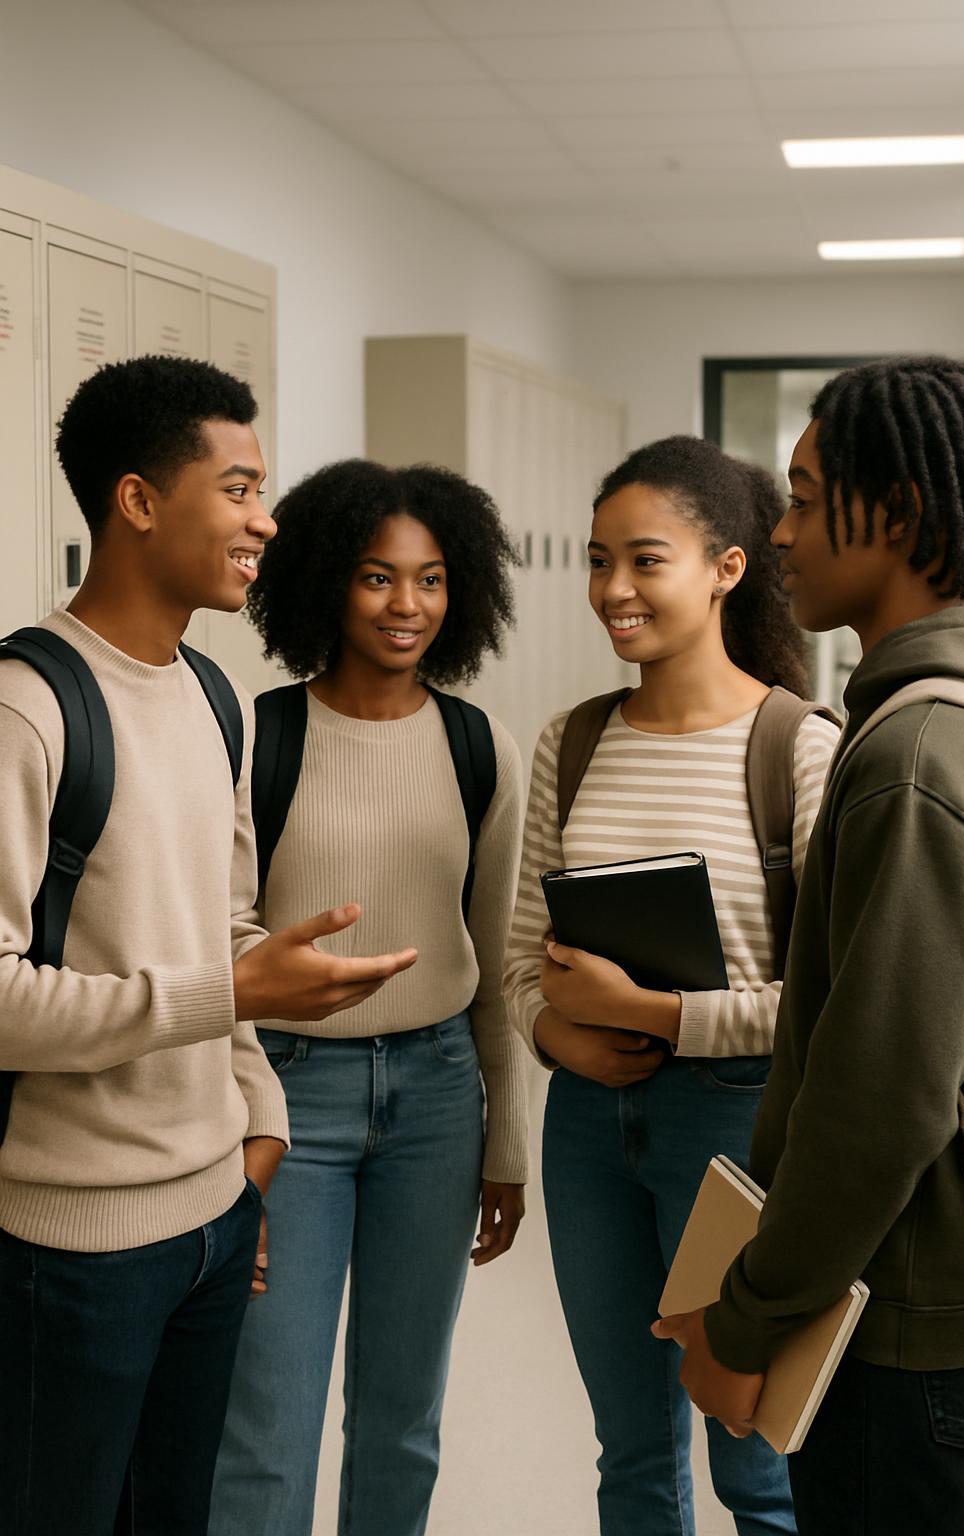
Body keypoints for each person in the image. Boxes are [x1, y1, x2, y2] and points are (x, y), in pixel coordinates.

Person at [0, 357, 416, 1536]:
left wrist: (259, 1123)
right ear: (138, 501)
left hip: (215, 1215)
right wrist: (226, 990)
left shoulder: (214, 696)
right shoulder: (29, 708)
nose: (265, 521)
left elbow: (219, 933)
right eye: (237, 489)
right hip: (70, 1244)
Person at [655, 356, 964, 1536]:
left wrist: (749, 1318)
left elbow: (880, 1104)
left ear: (902, 515)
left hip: (891, 1308)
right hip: (926, 1287)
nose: (780, 532)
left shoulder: (917, 757)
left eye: (807, 500)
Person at [504, 435, 839, 1536]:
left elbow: (827, 1002)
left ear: (727, 568)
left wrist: (651, 1017)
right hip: (588, 1129)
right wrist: (558, 1035)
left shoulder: (798, 748)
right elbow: (520, 959)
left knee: (754, 1457)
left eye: (644, 560)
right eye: (598, 561)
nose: (612, 589)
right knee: (632, 1456)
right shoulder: (574, 741)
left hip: (736, 1126)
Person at [210, 458, 529, 1536]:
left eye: (432, 580)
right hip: (290, 1101)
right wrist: (239, 1124)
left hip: (438, 1099)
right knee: (267, 1422)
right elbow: (230, 957)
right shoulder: (259, 735)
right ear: (322, 585)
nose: (407, 607)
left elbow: (486, 966)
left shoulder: (478, 747)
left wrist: (506, 1146)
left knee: (402, 1420)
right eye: (377, 578)